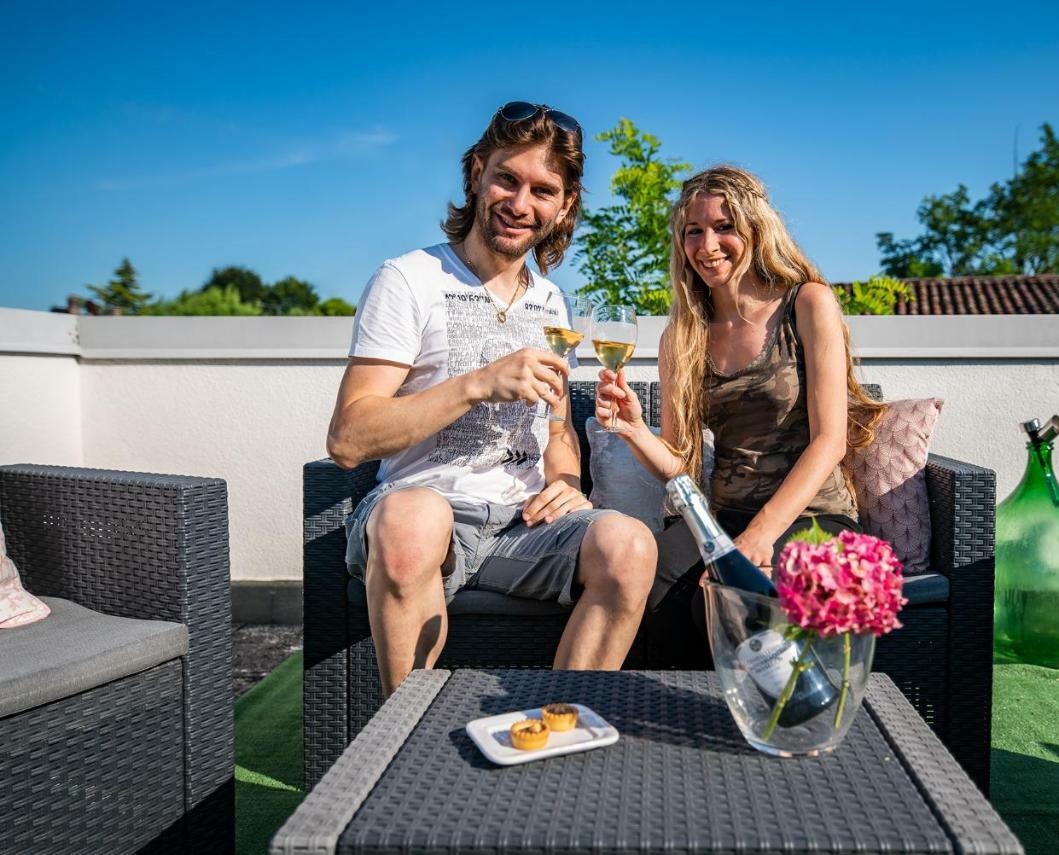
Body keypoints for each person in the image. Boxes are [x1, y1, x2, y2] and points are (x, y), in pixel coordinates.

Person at [328, 102, 657, 697]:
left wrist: (567, 479)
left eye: (543, 190)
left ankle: (561, 726)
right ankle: (405, 745)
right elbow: (348, 439)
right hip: (426, 518)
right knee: (412, 519)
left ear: (564, 206)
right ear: (477, 172)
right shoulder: (408, 280)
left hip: (524, 526)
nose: (520, 203)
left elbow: (555, 429)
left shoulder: (553, 304)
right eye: (507, 178)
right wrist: (477, 383)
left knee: (630, 545)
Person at [595, 165, 882, 662]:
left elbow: (830, 440)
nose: (708, 245)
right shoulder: (682, 336)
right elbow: (680, 467)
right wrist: (633, 430)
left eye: (724, 227)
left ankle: (756, 727)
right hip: (721, 515)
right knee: (653, 582)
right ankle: (657, 719)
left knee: (736, 597)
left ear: (754, 228)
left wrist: (758, 536)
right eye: (694, 231)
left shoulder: (807, 304)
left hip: (812, 515)